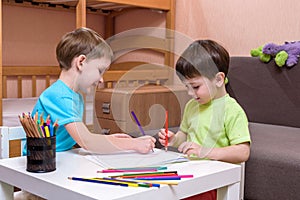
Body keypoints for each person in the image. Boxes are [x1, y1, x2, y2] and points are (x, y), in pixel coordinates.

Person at [28, 27, 156, 154]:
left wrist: (111, 139)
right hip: (45, 162)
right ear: (81, 62)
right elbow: (87, 141)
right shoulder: (58, 96)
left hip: (62, 158)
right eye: (100, 70)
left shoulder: (75, 96)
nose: (101, 80)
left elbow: (82, 138)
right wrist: (132, 144)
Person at [158, 40, 251, 200]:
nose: (190, 93)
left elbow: (243, 152)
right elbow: (184, 135)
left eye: (195, 87)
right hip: (193, 174)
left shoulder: (232, 110)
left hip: (213, 181)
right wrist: (173, 139)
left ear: (219, 79)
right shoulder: (191, 106)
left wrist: (205, 152)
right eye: (186, 87)